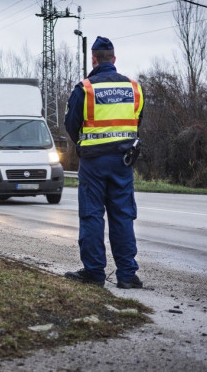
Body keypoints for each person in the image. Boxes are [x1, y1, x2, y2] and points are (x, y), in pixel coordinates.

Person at [63, 36, 145, 289]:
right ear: (114, 59)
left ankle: (94, 272)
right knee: (122, 216)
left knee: (92, 216)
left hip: (94, 162)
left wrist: (87, 141)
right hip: (123, 161)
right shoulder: (133, 88)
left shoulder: (85, 88)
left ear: (94, 59)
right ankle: (127, 275)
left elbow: (71, 125)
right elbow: (136, 121)